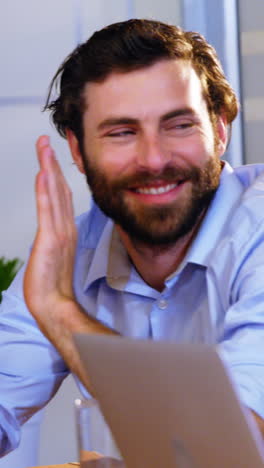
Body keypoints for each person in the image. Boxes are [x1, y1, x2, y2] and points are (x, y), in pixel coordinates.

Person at [1, 18, 264, 457]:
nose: (154, 158)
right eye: (122, 133)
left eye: (179, 125)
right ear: (78, 150)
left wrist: (60, 314)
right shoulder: (78, 248)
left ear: (219, 129)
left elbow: (233, 447)